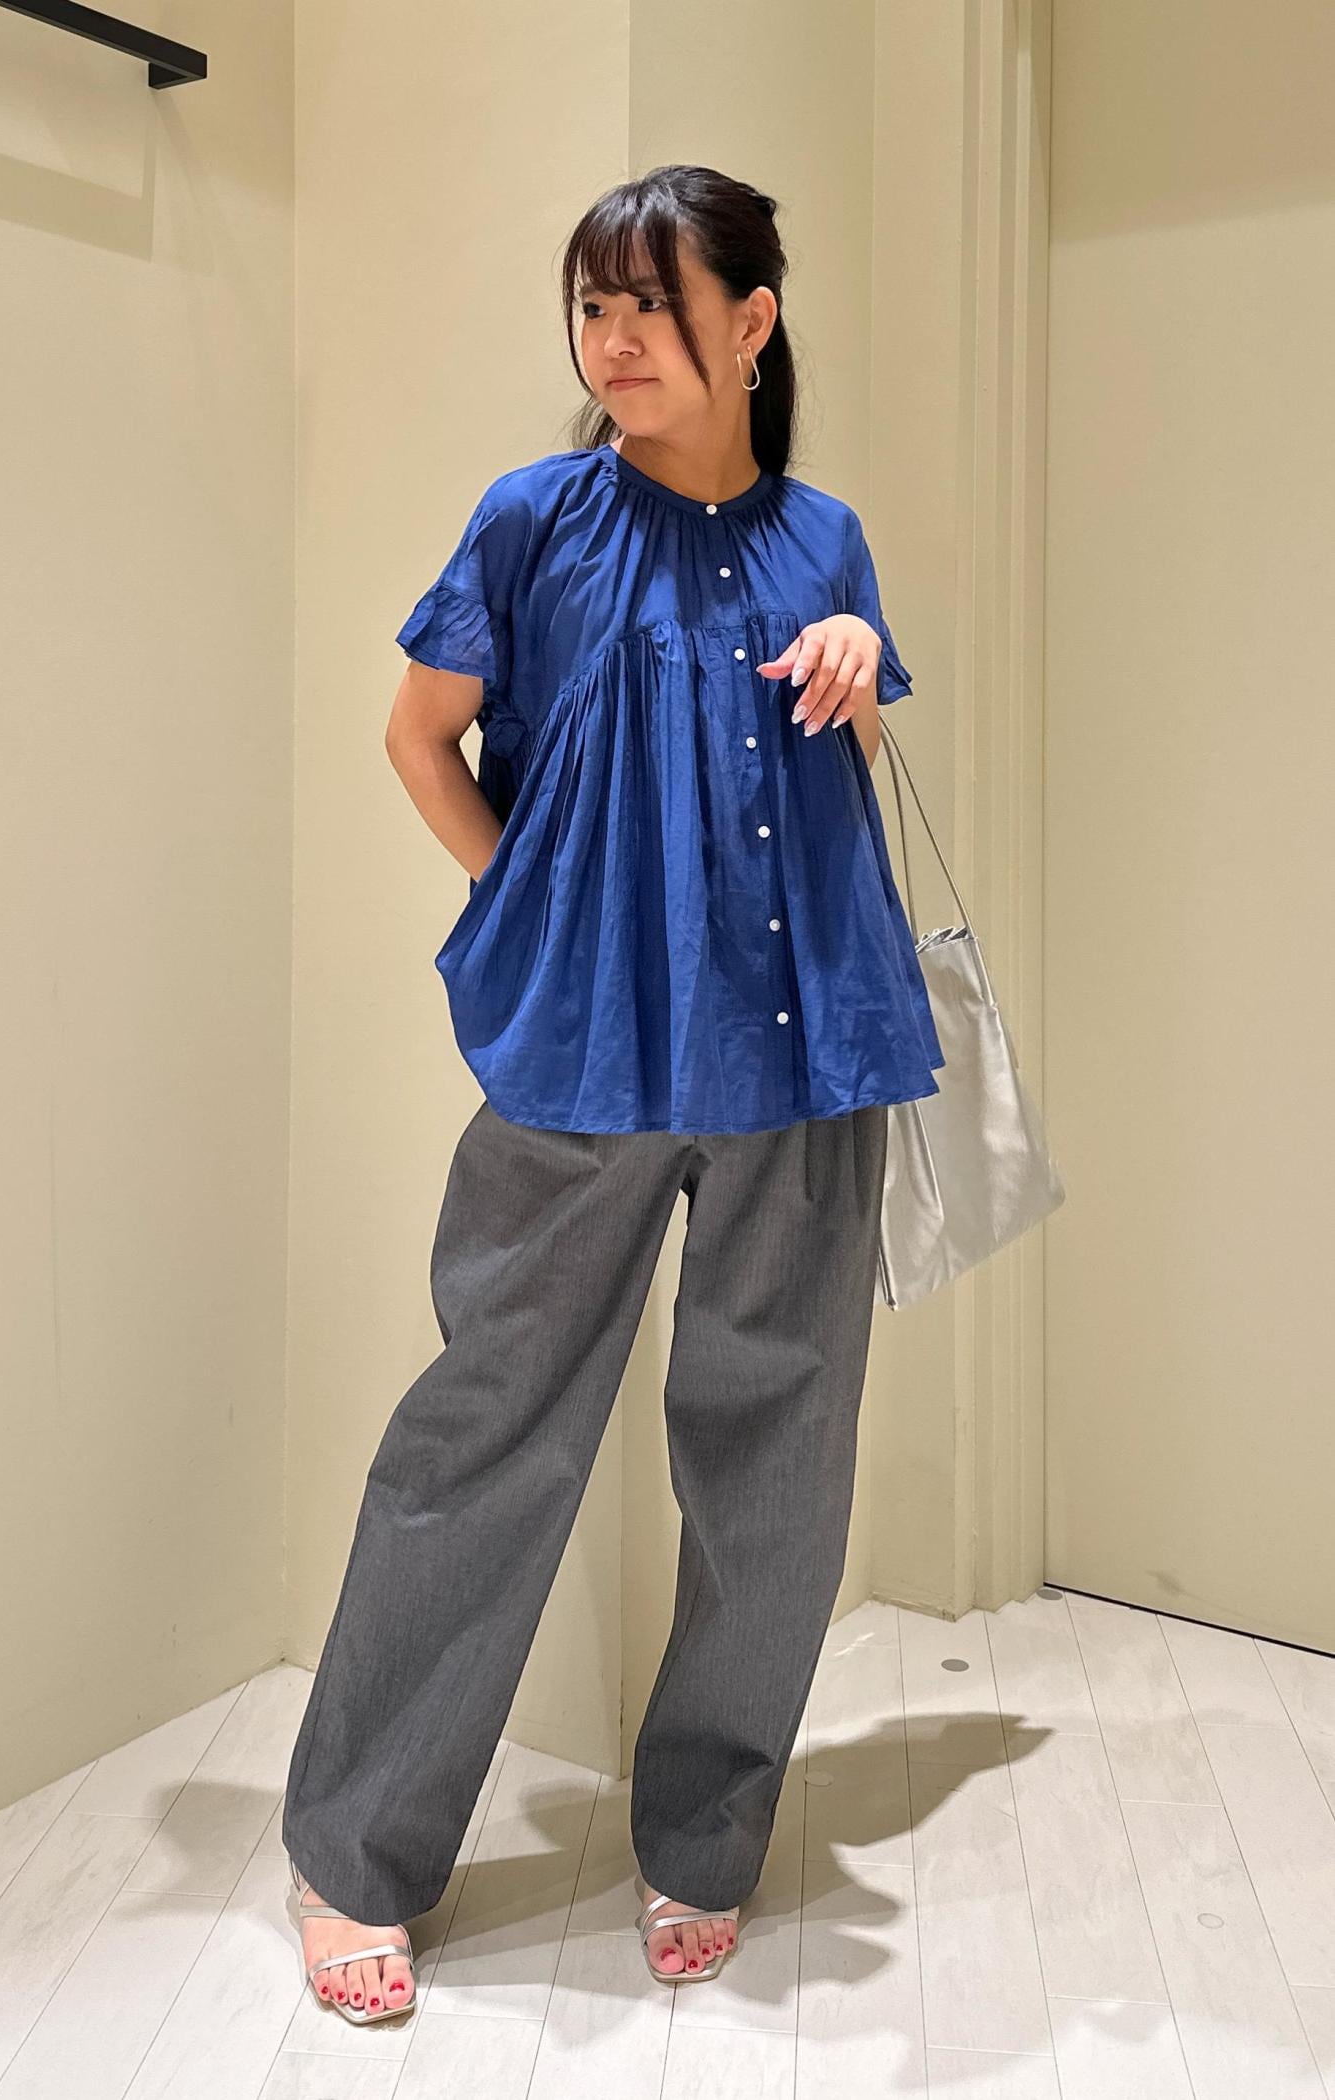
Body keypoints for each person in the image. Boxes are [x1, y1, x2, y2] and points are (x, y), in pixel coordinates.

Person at [282, 162, 944, 2022]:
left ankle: (706, 1835)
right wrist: (532, 907)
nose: (616, 338)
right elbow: (421, 734)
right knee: (484, 1434)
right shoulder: (536, 521)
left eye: (655, 302)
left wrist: (854, 657)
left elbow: (829, 747)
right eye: (593, 305)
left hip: (803, 1055)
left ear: (754, 321)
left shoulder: (827, 539)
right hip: (582, 1059)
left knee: (778, 1458)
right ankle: (355, 1851)